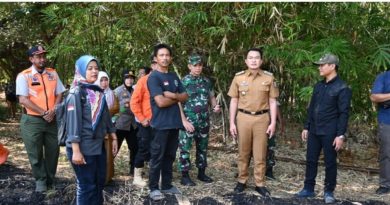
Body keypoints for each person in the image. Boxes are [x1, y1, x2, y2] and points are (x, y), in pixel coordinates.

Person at [295, 53, 352, 204]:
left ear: (332, 66)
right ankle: (308, 188)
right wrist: (306, 126)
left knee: (330, 162)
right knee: (311, 159)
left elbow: (344, 113)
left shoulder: (342, 87)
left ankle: (329, 191)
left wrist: (340, 135)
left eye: (322, 65)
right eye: (319, 65)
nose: (319, 68)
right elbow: (312, 107)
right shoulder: (319, 86)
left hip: (330, 131)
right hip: (314, 129)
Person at [65, 55, 118, 205]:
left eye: (96, 68)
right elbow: (72, 123)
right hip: (81, 147)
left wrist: (113, 137)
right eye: (90, 68)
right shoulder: (76, 93)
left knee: (99, 182)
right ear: (81, 70)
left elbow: (106, 117)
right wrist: (76, 150)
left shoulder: (98, 92)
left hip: (97, 146)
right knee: (86, 186)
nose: (94, 71)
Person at [228, 48, 279, 196]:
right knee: (243, 152)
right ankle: (242, 181)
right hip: (243, 118)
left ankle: (259, 183)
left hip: (262, 119)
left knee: (260, 153)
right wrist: (232, 122)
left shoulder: (269, 78)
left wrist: (273, 122)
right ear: (246, 61)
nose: (254, 60)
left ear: (261, 61)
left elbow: (273, 101)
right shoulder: (239, 78)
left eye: (257, 58)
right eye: (250, 58)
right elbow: (234, 100)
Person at [16, 45, 65, 192]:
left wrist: (53, 110)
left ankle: (50, 179)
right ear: (31, 59)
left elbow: (60, 93)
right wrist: (44, 113)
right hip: (32, 121)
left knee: (53, 151)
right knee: (35, 153)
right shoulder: (24, 76)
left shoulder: (53, 74)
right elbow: (23, 100)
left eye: (43, 56)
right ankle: (41, 181)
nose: (42, 59)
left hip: (52, 119)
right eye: (38, 56)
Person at [147, 43, 188, 201]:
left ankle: (167, 185)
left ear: (170, 58)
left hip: (174, 123)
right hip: (160, 124)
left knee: (170, 156)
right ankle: (153, 187)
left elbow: (185, 97)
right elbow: (160, 102)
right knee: (157, 156)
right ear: (156, 58)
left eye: (167, 55)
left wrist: (172, 95)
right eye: (161, 55)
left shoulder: (174, 77)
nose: (164, 58)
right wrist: (176, 97)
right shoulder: (153, 77)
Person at [178, 53, 221, 186]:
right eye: (195, 65)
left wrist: (215, 107)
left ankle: (201, 172)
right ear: (189, 66)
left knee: (202, 147)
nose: (198, 68)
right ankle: (184, 175)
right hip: (189, 121)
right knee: (185, 148)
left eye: (200, 65)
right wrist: (184, 121)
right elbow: (178, 102)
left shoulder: (206, 81)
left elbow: (211, 97)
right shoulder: (183, 82)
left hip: (203, 121)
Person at [130, 61, 157, 187]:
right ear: (152, 65)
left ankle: (156, 176)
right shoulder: (143, 81)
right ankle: (137, 176)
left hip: (160, 123)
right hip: (145, 123)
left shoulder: (166, 80)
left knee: (158, 149)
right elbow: (134, 103)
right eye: (156, 63)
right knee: (143, 148)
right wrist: (142, 118)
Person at [95, 71, 119, 184]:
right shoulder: (93, 93)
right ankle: (97, 178)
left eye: (106, 80)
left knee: (108, 154)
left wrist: (104, 112)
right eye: (101, 80)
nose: (104, 83)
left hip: (108, 128)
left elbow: (116, 107)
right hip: (95, 130)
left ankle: (107, 178)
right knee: (96, 154)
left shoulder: (111, 93)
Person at [113, 70, 138, 176]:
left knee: (134, 147)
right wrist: (124, 107)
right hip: (120, 124)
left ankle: (134, 170)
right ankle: (107, 168)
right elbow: (114, 109)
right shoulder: (117, 91)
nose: (129, 80)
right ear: (124, 79)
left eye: (131, 78)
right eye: (127, 78)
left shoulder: (135, 91)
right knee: (114, 148)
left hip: (132, 124)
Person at [370, 69, 390, 195]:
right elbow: (374, 96)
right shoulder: (383, 77)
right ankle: (385, 184)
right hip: (387, 120)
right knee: (386, 153)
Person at [265, 101, 284, 180]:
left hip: (269, 127)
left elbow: (276, 108)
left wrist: (281, 124)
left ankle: (269, 171)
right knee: (248, 148)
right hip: (255, 124)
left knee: (270, 149)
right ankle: (243, 170)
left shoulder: (271, 96)